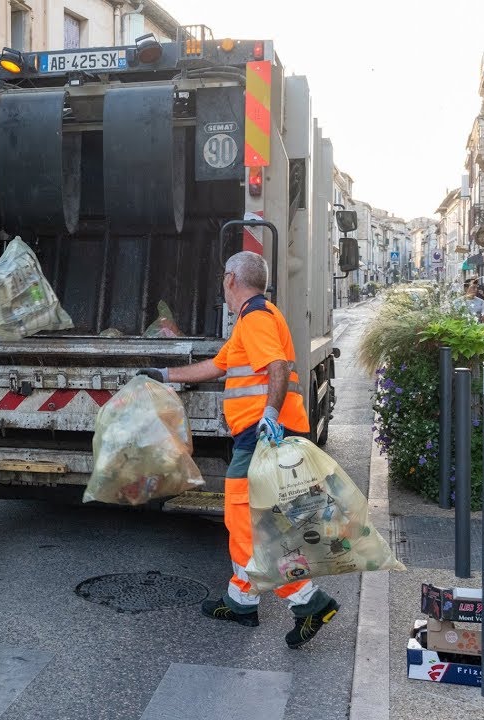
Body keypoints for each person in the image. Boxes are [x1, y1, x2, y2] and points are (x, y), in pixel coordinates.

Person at [137, 250, 340, 649]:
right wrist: (163, 374)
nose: (222, 290)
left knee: (249, 522)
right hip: (263, 434)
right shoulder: (250, 322)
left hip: (262, 436)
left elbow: (277, 367)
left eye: (222, 282)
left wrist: (268, 414)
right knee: (254, 520)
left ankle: (308, 602)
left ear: (231, 279)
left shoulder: (258, 318)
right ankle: (241, 600)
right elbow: (217, 365)